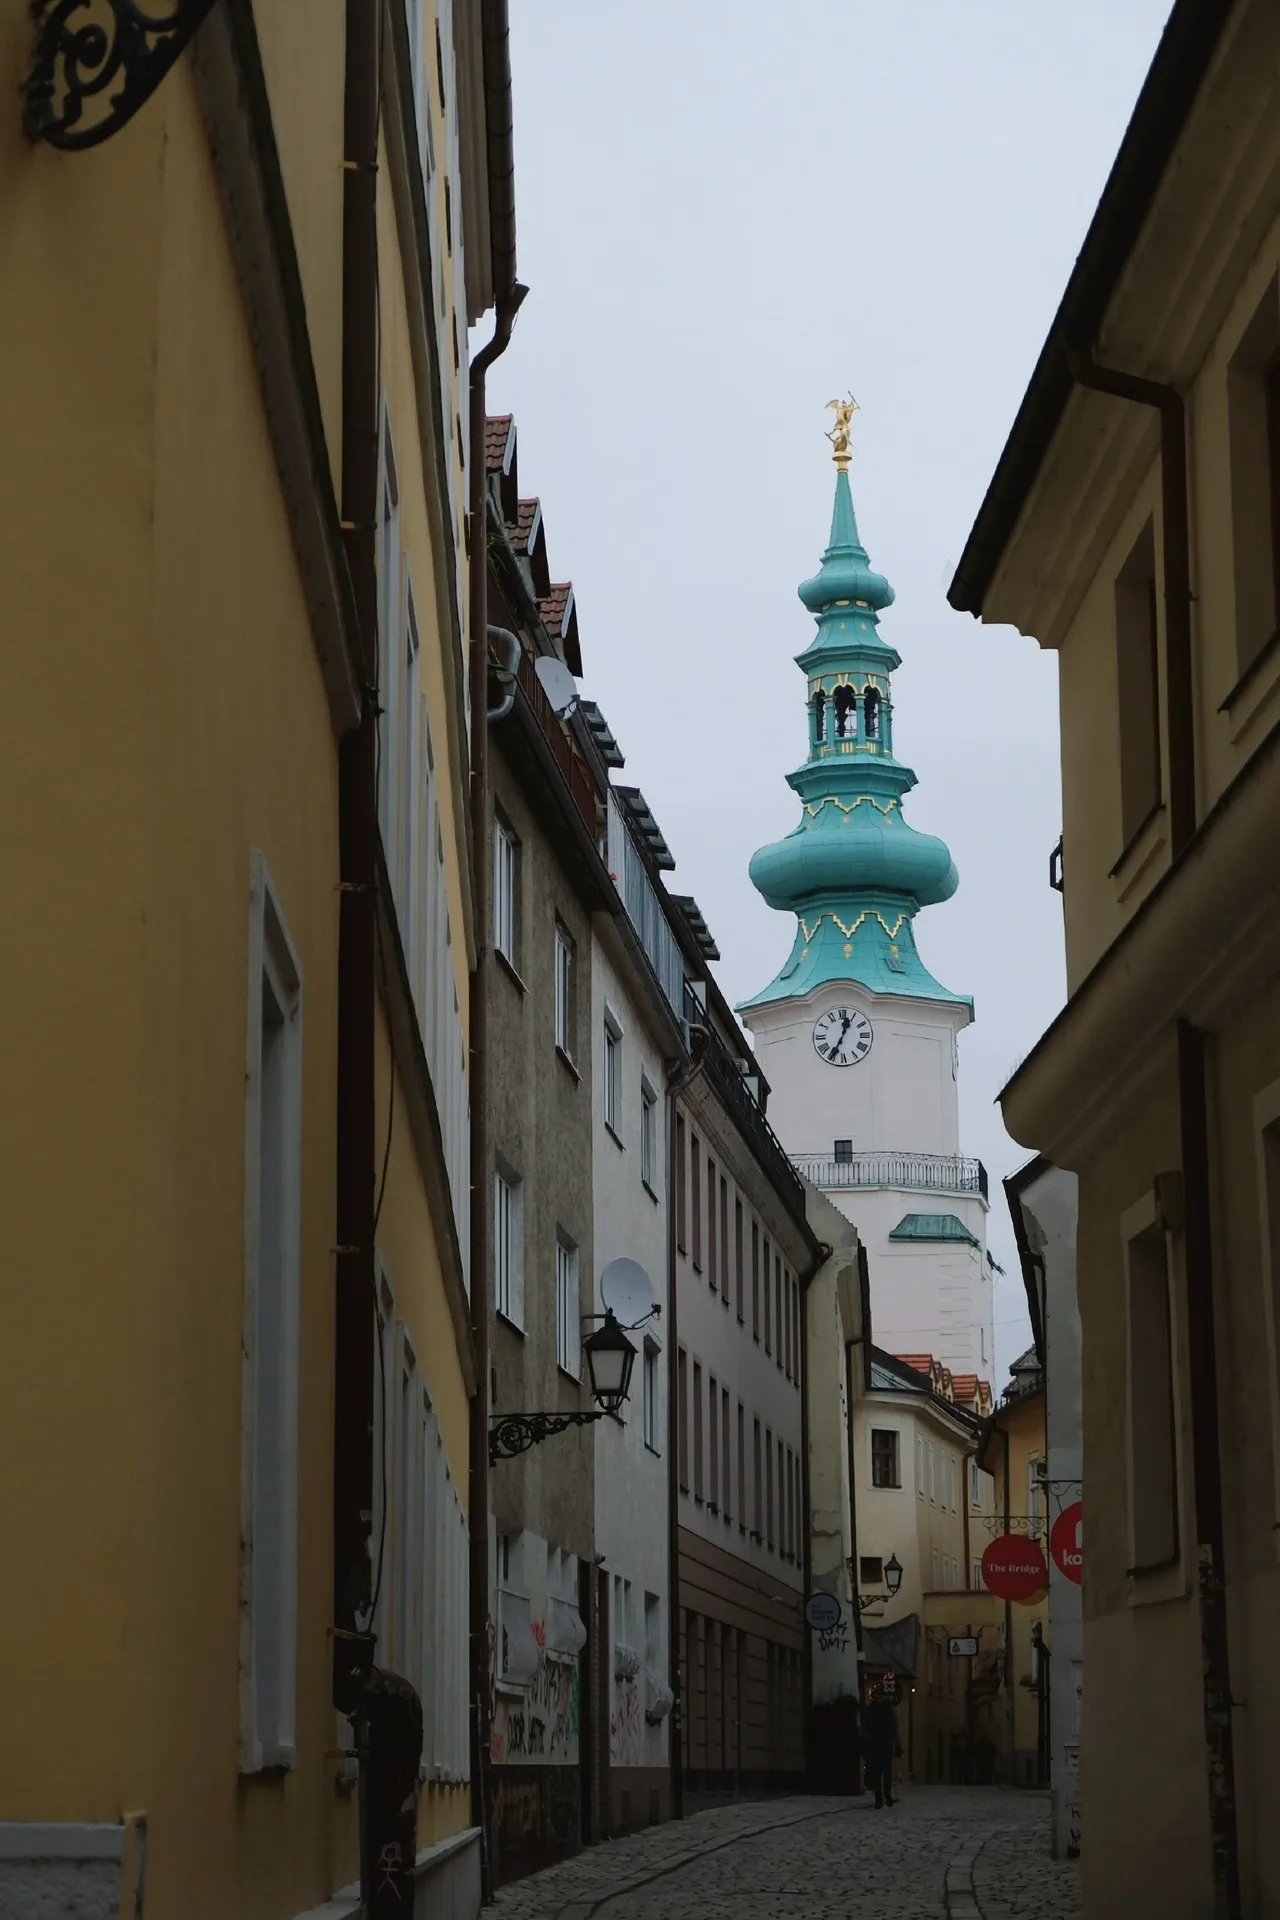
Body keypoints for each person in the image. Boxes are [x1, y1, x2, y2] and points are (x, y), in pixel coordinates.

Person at [863, 1679, 903, 1809]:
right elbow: (866, 1729)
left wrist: (897, 1745)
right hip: (877, 1745)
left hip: (882, 1745)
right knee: (879, 1773)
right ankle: (881, 1797)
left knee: (883, 1774)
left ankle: (884, 1796)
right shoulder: (873, 1710)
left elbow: (894, 1729)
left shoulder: (884, 1710)